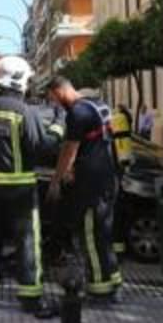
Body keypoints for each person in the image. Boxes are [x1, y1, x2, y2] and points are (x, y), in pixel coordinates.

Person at [0, 56, 59, 318]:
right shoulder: (23, 111)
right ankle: (31, 298)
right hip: (20, 189)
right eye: (27, 79)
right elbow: (40, 147)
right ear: (18, 80)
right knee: (27, 242)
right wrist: (58, 130)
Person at [46, 75, 123, 303]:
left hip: (90, 186)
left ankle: (100, 290)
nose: (54, 103)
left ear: (59, 91)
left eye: (52, 98)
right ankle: (114, 282)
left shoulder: (77, 114)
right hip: (108, 180)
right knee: (104, 236)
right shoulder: (98, 105)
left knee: (90, 237)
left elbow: (70, 149)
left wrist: (57, 180)